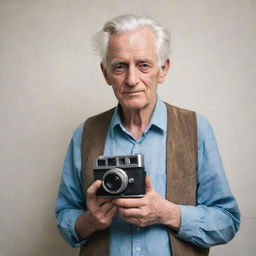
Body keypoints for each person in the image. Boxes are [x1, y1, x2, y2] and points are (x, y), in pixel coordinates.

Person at [55, 15, 240, 256]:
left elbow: (227, 221)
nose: (132, 80)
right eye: (120, 66)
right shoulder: (85, 133)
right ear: (106, 73)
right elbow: (64, 215)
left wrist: (168, 213)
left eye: (144, 65)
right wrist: (91, 221)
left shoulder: (197, 129)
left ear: (163, 70)